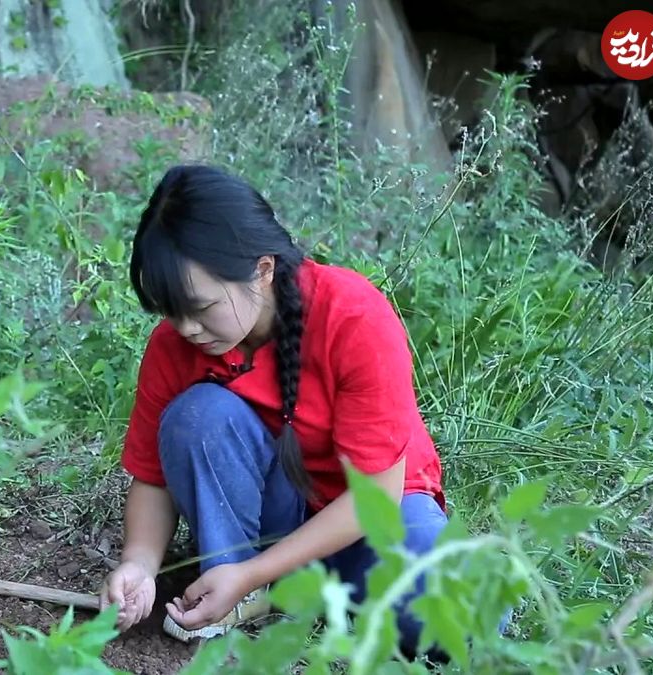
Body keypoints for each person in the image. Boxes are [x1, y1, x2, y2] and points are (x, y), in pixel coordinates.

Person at [97, 163, 450, 655]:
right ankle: (249, 582)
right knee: (197, 416)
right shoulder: (174, 346)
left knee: (454, 611)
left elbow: (376, 499)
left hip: (371, 517)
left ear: (263, 270)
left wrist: (252, 573)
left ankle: (277, 586)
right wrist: (138, 563)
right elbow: (153, 478)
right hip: (275, 516)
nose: (187, 329)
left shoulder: (352, 317)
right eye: (170, 312)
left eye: (200, 308)